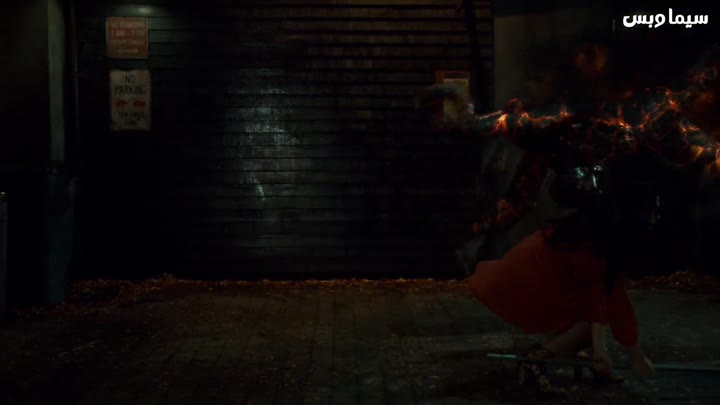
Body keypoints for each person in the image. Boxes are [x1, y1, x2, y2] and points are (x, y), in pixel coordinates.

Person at [467, 181, 656, 394]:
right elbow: (603, 306)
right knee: (589, 319)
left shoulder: (584, 230)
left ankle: (586, 354)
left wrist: (630, 356)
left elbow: (612, 299)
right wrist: (620, 354)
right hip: (521, 289)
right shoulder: (590, 249)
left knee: (592, 313)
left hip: (514, 281)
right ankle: (534, 361)